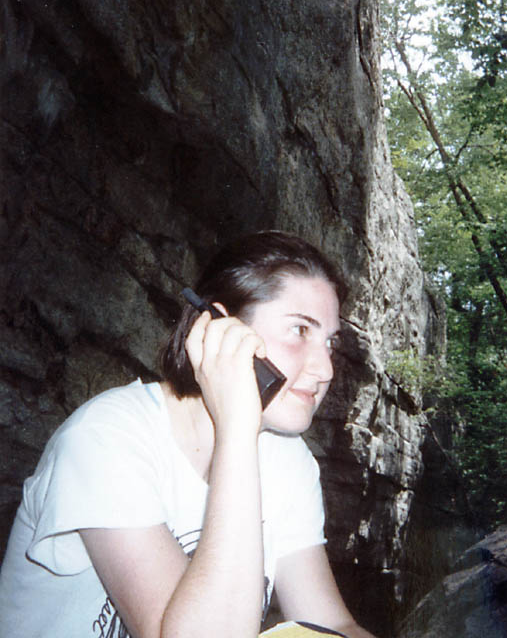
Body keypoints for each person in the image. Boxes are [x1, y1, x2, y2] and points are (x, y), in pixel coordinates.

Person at [0, 230, 378, 638]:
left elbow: (333, 624)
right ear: (218, 327)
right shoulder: (106, 437)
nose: (326, 370)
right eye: (300, 331)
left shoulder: (289, 459)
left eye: (329, 343)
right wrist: (236, 427)